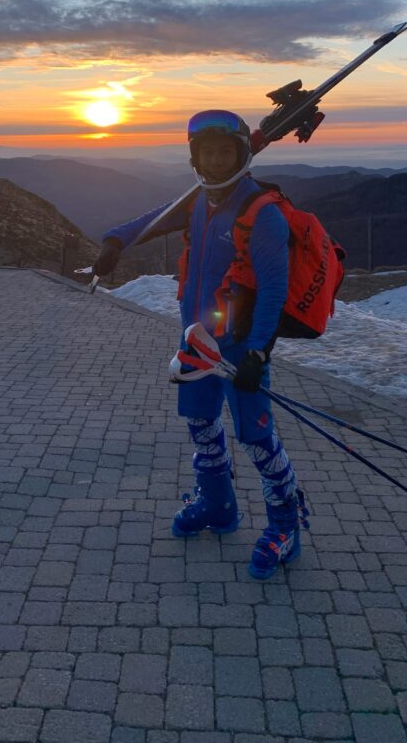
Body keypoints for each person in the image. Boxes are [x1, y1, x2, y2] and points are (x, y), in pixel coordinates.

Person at [93, 110, 303, 580]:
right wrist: (114, 242)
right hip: (196, 342)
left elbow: (273, 289)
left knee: (257, 438)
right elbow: (154, 220)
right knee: (202, 425)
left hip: (239, 349)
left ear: (242, 154)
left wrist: (257, 354)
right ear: (195, 156)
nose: (214, 160)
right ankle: (218, 506)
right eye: (205, 151)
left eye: (223, 151)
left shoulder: (260, 214)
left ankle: (286, 525)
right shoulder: (199, 203)